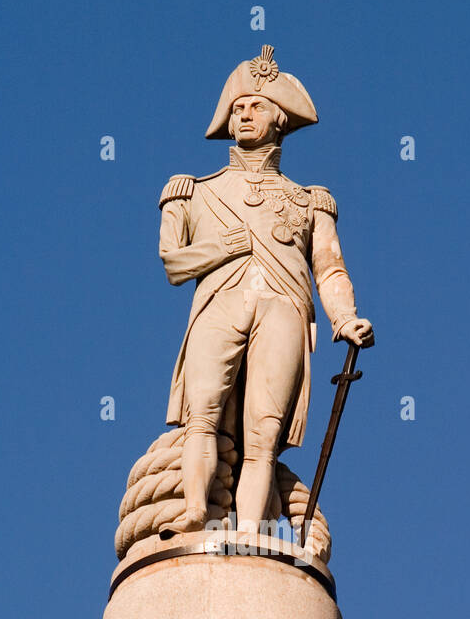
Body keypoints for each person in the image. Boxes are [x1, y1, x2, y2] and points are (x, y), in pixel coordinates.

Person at [158, 45, 373, 534]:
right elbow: (173, 263)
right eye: (238, 108)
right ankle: (195, 509)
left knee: (263, 431)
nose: (245, 115)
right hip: (219, 301)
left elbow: (330, 269)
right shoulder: (194, 190)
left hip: (283, 307)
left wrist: (344, 317)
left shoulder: (310, 201)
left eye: (255, 106)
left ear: (279, 118)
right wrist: (223, 248)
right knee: (202, 413)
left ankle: (251, 529)